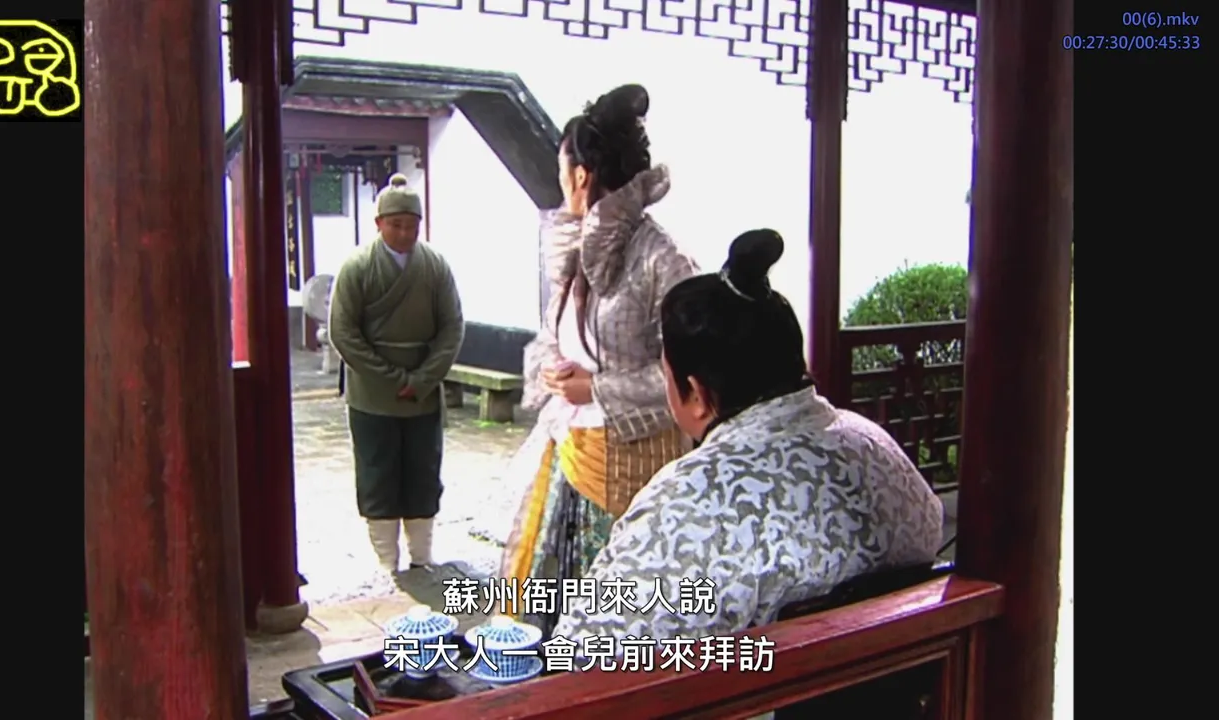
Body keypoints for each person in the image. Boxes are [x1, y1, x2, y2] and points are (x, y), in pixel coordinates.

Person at [552, 229, 944, 643]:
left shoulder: (688, 499)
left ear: (696, 394)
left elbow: (582, 649)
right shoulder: (873, 441)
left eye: (666, 375)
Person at [499, 84, 699, 634]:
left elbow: (690, 373)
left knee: (625, 616)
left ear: (582, 175)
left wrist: (598, 389)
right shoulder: (576, 247)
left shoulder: (663, 258)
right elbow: (554, 332)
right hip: (571, 449)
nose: (561, 182)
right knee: (554, 604)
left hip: (639, 464)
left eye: (562, 170)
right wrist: (550, 366)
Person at [329, 173, 464, 573]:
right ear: (379, 224)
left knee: (423, 473)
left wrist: (421, 379)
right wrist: (391, 378)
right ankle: (387, 561)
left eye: (412, 226)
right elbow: (343, 332)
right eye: (396, 225)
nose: (405, 233)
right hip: (372, 393)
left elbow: (452, 327)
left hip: (423, 392)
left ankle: (422, 557)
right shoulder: (357, 267)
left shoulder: (435, 266)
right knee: (378, 473)